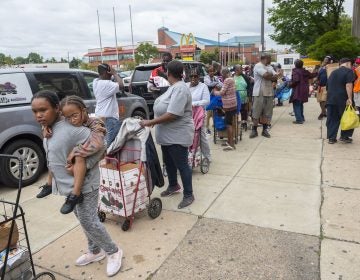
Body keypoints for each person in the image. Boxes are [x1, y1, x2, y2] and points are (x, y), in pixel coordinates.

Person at [31, 90, 122, 277]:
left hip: (86, 185)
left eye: (43, 110)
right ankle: (95, 251)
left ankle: (113, 251)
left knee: (89, 220)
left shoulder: (74, 128)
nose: (39, 115)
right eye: (35, 111)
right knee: (83, 220)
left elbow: (100, 145)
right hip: (69, 186)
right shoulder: (50, 127)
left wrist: (84, 161)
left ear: (56, 108)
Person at [37, 96, 106, 216]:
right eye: (68, 118)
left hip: (94, 152)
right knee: (53, 150)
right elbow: (55, 119)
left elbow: (98, 144)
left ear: (83, 110)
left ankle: (75, 193)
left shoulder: (94, 122)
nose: (72, 120)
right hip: (83, 149)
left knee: (78, 156)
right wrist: (46, 127)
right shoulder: (68, 120)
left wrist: (76, 151)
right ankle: (49, 183)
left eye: (75, 115)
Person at [140, 60, 195, 209]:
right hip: (167, 136)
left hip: (177, 135)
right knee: (169, 163)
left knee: (182, 165)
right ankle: (173, 185)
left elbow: (173, 114)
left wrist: (151, 122)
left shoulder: (180, 89)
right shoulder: (174, 87)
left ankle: (189, 194)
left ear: (169, 74)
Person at [326, 58, 355, 144]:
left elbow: (328, 86)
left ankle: (331, 138)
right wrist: (349, 98)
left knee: (332, 118)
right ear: (348, 63)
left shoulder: (333, 72)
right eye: (351, 64)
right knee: (347, 117)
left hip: (331, 99)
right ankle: (344, 136)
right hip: (343, 99)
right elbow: (349, 85)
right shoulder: (349, 72)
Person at [93, 63, 123, 146]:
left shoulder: (95, 82)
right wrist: (115, 74)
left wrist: (111, 75)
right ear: (107, 72)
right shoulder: (106, 84)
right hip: (109, 119)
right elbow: (121, 86)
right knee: (111, 146)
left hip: (100, 117)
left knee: (103, 144)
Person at [250, 54, 279, 139]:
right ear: (265, 58)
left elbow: (275, 77)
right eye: (270, 58)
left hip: (269, 92)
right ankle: (254, 130)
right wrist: (272, 76)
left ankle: (264, 130)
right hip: (259, 92)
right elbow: (266, 76)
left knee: (267, 112)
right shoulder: (258, 66)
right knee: (256, 112)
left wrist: (272, 76)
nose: (271, 59)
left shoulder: (269, 67)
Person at [186, 68, 211, 162]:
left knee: (201, 136)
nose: (193, 78)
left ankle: (207, 156)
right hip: (187, 114)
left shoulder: (203, 86)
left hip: (199, 114)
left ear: (199, 77)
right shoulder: (186, 86)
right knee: (187, 136)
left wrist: (193, 104)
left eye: (195, 76)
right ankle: (189, 155)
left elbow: (207, 101)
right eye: (191, 76)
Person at [213, 68, 237, 151]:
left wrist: (215, 91)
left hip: (229, 105)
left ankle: (231, 144)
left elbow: (222, 93)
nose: (221, 76)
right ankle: (229, 141)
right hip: (232, 104)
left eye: (222, 74)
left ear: (224, 73)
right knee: (229, 123)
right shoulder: (232, 79)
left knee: (228, 124)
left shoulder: (227, 80)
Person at [290, 59, 318, 124]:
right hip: (304, 90)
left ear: (295, 65)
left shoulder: (295, 71)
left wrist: (290, 85)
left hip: (297, 90)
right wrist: (317, 71)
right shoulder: (305, 71)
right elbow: (312, 75)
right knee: (300, 104)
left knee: (296, 104)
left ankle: (299, 120)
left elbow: (296, 80)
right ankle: (301, 118)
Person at [204, 65, 223, 134]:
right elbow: (209, 84)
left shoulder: (216, 77)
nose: (211, 73)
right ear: (208, 72)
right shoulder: (206, 78)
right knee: (208, 113)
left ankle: (215, 125)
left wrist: (216, 84)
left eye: (212, 71)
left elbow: (221, 84)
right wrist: (216, 84)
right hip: (209, 97)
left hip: (215, 97)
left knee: (215, 112)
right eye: (210, 71)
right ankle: (207, 128)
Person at [233, 65, 251, 130]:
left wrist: (248, 96)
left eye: (241, 69)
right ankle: (235, 122)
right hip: (234, 98)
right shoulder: (232, 77)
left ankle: (244, 123)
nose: (240, 70)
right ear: (235, 70)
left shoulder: (245, 77)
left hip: (244, 97)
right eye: (239, 69)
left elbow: (249, 87)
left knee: (244, 110)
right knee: (236, 110)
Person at [317, 55, 333, 120]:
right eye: (324, 59)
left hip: (327, 86)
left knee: (323, 100)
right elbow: (318, 76)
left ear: (330, 61)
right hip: (320, 86)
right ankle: (324, 112)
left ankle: (323, 113)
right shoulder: (321, 68)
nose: (325, 60)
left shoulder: (331, 67)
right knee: (320, 100)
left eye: (327, 60)